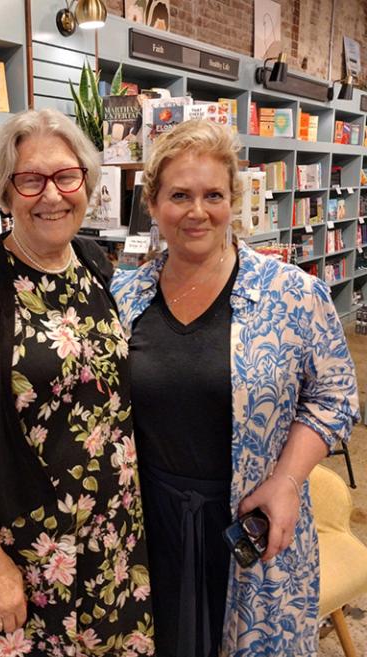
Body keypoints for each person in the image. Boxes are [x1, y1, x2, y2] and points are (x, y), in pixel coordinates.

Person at [110, 118, 360, 657]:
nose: (197, 211)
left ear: (234, 201)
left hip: (249, 524)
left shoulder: (294, 296)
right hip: (147, 525)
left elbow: (336, 395)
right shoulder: (123, 296)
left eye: (213, 195)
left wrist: (289, 481)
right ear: (152, 204)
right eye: (179, 195)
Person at [0, 108, 154, 657]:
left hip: (111, 544)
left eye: (66, 176)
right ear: (6, 191)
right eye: (31, 179)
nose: (52, 195)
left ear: (87, 184)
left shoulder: (95, 264)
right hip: (22, 557)